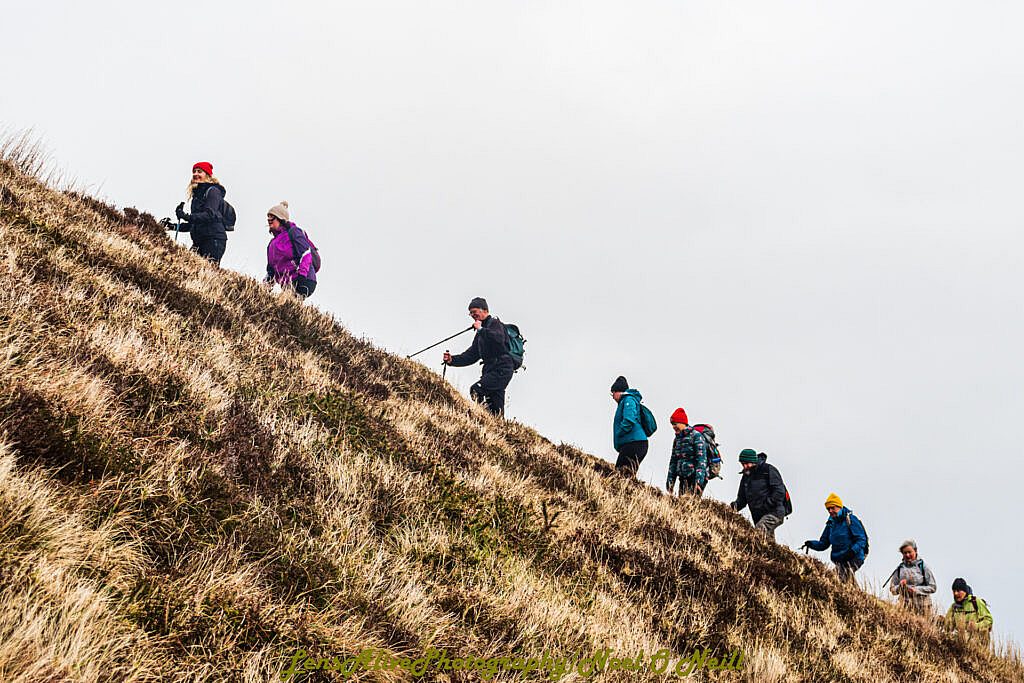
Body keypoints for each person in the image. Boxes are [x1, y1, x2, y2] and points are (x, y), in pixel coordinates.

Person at [443, 298, 514, 416]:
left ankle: (482, 417)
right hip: (490, 369)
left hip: (502, 368)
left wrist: (480, 329)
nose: (472, 315)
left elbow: (498, 339)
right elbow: (472, 355)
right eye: (470, 313)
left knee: (476, 390)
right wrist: (452, 360)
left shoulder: (495, 324)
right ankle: (495, 427)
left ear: (485, 310)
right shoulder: (481, 333)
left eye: (474, 311)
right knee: (496, 409)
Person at [802, 493, 868, 583]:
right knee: (841, 580)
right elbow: (824, 544)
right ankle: (859, 595)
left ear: (839, 507)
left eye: (833, 508)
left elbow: (861, 539)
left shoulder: (851, 519)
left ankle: (855, 595)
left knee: (841, 578)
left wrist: (852, 551)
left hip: (854, 558)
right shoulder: (831, 524)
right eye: (828, 509)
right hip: (840, 559)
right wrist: (811, 544)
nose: (830, 511)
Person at [173, 161, 228, 265]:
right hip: (200, 240)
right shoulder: (197, 195)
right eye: (194, 171)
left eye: (199, 171)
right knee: (188, 266)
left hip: (213, 239)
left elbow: (209, 215)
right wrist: (173, 226)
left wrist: (185, 216)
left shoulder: (213, 191)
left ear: (207, 175)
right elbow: (193, 224)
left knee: (208, 272)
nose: (195, 174)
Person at [730, 449, 787, 541]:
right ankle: (770, 554)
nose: (745, 466)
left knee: (759, 530)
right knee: (767, 541)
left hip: (774, 512)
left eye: (747, 463)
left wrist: (767, 504)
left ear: (753, 461)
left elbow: (779, 491)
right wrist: (732, 508)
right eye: (742, 464)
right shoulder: (746, 477)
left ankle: (753, 553)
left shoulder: (768, 470)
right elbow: (742, 499)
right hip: (758, 516)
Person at [263, 201, 317, 298]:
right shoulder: (271, 244)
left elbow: (306, 254)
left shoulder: (294, 232)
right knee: (282, 307)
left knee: (287, 304)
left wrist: (301, 277)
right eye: (268, 217)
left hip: (303, 279)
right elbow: (271, 269)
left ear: (280, 219)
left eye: (272, 217)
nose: (269, 220)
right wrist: (264, 288)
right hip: (287, 284)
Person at [609, 376, 648, 477]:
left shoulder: (628, 400)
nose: (612, 396)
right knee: (628, 474)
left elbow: (629, 419)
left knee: (619, 471)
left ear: (618, 391)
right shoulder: (626, 401)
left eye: (612, 393)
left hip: (634, 443)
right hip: (636, 443)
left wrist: (620, 433)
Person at [887, 539, 937, 615]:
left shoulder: (923, 567)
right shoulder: (899, 569)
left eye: (909, 552)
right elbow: (892, 589)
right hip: (905, 608)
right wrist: (900, 587)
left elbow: (933, 587)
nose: (907, 555)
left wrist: (915, 590)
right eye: (905, 553)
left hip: (924, 608)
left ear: (915, 550)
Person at [665, 408, 707, 496]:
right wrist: (670, 482)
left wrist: (698, 482)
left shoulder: (696, 436)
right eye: (672, 424)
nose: (673, 427)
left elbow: (701, 460)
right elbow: (673, 461)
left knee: (691, 505)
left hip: (694, 479)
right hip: (682, 479)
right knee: (681, 506)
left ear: (682, 422)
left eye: (675, 424)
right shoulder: (677, 440)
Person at [941, 578, 993, 646]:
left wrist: (976, 626)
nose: (956, 593)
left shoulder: (976, 602)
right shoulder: (954, 607)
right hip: (961, 644)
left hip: (978, 644)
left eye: (958, 591)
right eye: (954, 591)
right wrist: (941, 621)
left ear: (965, 591)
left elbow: (989, 620)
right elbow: (948, 628)